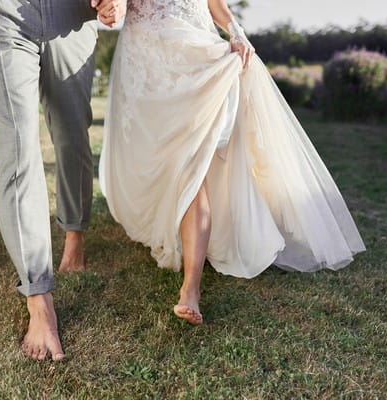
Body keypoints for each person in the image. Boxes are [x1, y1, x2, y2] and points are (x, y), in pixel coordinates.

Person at [99, 0, 366, 325]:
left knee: (194, 162)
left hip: (198, 54)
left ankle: (191, 288)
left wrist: (237, 32)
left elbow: (214, 3)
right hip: (149, 61)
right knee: (172, 161)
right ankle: (188, 259)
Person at [0, 0, 126, 360]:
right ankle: (39, 296)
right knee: (17, 147)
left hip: (72, 13)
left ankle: (74, 234)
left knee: (72, 133)